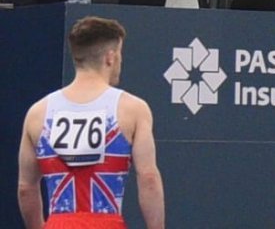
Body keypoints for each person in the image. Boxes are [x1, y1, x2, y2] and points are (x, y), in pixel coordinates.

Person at [17, 15, 165, 228]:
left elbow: (26, 188)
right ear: (110, 57)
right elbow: (148, 178)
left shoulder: (38, 113)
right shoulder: (132, 109)